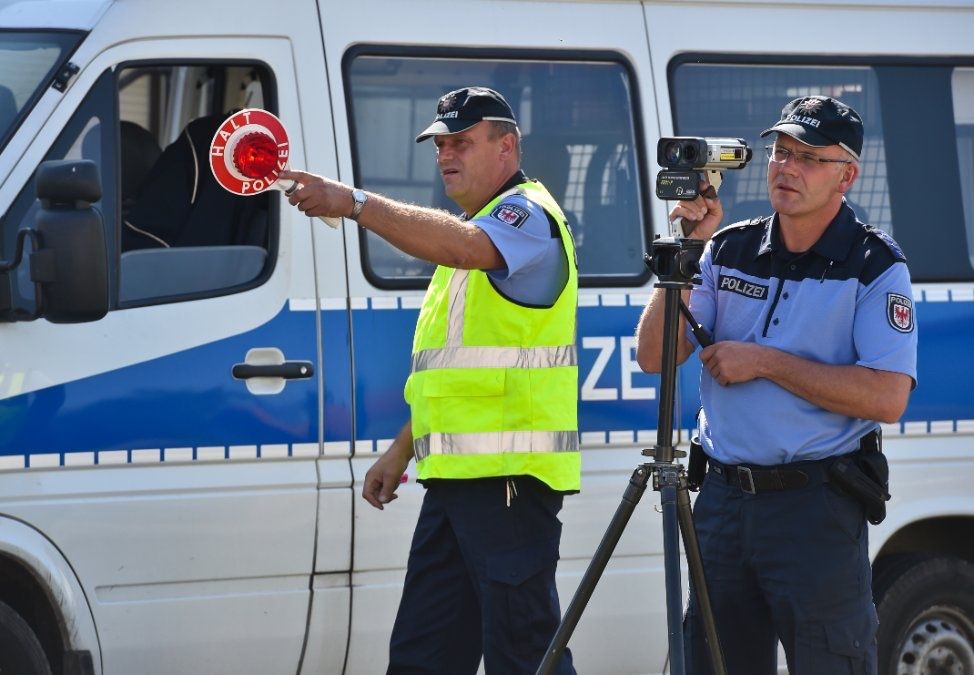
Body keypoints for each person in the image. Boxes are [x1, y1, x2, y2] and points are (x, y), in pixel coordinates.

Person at [281, 86, 579, 675]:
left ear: (506, 146)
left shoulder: (524, 215)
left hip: (508, 483)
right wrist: (402, 450)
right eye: (440, 145)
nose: (445, 155)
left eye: (461, 142)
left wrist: (353, 202)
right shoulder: (475, 228)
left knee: (524, 658)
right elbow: (453, 376)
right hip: (454, 482)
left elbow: (464, 248)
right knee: (424, 657)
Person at [635, 96, 917, 674]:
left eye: (809, 158)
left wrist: (765, 362)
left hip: (814, 507)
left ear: (847, 176)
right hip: (722, 502)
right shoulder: (728, 247)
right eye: (781, 153)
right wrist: (687, 249)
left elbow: (887, 398)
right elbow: (654, 356)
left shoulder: (874, 263)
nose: (787, 168)